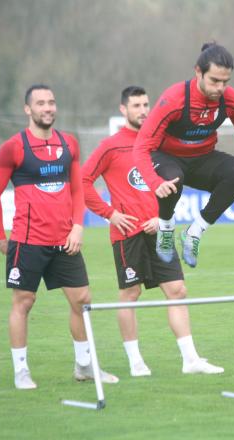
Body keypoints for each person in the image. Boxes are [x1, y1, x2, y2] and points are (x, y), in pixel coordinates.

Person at [82, 86, 223, 376]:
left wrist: (163, 218)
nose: (143, 110)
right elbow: (82, 181)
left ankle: (190, 359)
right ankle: (135, 362)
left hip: (161, 230)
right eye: (136, 105)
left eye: (146, 104)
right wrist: (110, 214)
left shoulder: (161, 143)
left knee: (177, 290)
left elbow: (176, 182)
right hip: (128, 233)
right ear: (123, 110)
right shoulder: (110, 146)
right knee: (130, 293)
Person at [0, 84, 119, 390]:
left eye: (52, 102)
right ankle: (21, 371)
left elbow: (77, 190)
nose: (48, 108)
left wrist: (78, 226)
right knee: (24, 302)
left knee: (82, 300)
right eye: (41, 103)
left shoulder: (69, 144)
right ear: (28, 109)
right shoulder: (13, 147)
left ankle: (84, 365)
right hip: (28, 240)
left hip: (64, 240)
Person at [133, 42, 234, 268]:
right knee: (174, 178)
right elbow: (142, 146)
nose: (220, 88)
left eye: (225, 82)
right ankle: (166, 227)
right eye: (214, 81)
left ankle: (194, 233)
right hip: (167, 159)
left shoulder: (230, 99)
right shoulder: (174, 99)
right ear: (198, 72)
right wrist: (154, 182)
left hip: (202, 158)